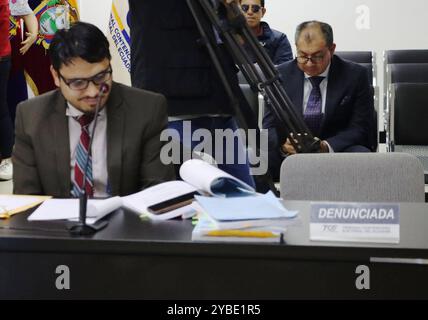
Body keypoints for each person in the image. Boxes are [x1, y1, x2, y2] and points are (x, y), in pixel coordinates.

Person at [12, 21, 175, 197]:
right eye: (78, 83)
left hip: (128, 221)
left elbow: (159, 195)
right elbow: (26, 201)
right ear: (56, 76)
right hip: (56, 223)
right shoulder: (30, 116)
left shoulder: (147, 109)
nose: (93, 91)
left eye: (100, 76)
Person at [128, 0, 257, 188]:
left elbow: (236, 39)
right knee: (182, 200)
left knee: (245, 194)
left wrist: (232, 10)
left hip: (221, 101)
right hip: (177, 107)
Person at [263, 21, 375, 179]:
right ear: (296, 47)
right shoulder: (278, 76)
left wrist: (325, 146)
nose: (309, 63)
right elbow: (269, 126)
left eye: (317, 56)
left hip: (337, 150)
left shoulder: (355, 76)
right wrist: (284, 146)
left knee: (364, 159)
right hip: (290, 151)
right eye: (302, 56)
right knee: (254, 158)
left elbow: (361, 127)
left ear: (332, 49)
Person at [0, 0, 38, 181]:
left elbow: (26, 12)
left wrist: (34, 33)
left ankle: (7, 157)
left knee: (3, 107)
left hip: (4, 56)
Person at [239, 0, 292, 65]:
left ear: (263, 12)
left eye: (255, 8)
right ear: (238, 10)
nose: (250, 12)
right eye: (245, 8)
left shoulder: (279, 39)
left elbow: (285, 71)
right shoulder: (228, 37)